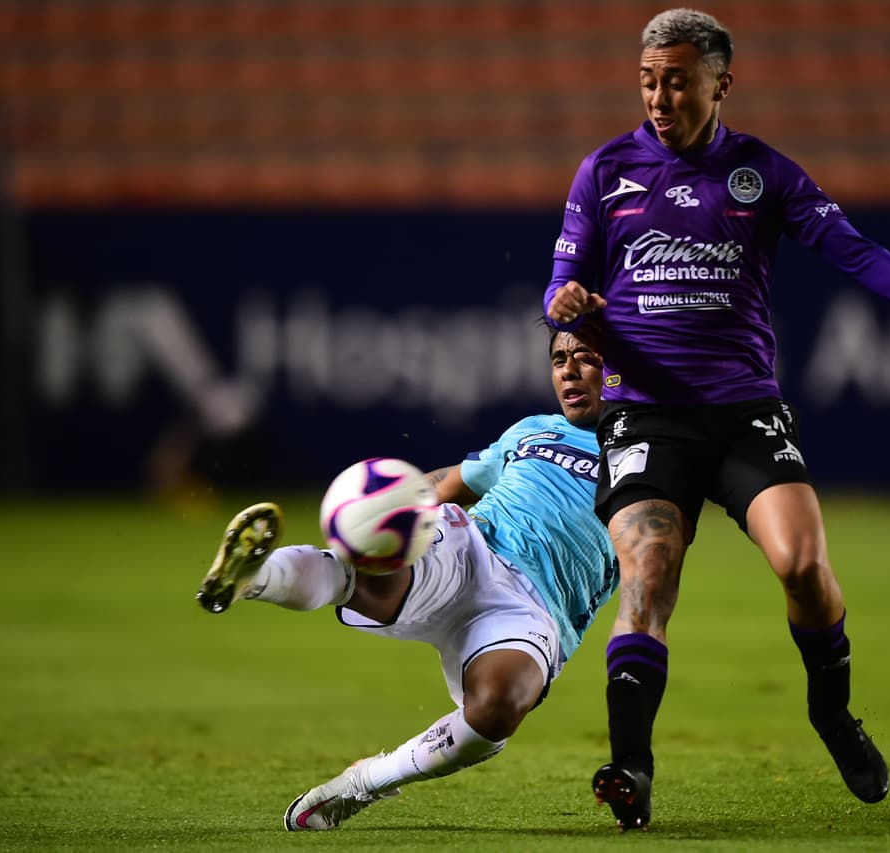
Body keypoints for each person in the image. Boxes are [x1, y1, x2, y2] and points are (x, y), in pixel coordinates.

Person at [544, 8, 890, 832]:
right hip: (645, 413)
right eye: (649, 79)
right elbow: (563, 277)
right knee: (649, 571)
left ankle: (832, 714)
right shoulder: (605, 170)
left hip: (745, 411)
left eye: (678, 80)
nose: (660, 96)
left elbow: (854, 249)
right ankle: (632, 770)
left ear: (722, 82)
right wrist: (566, 301)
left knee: (801, 564)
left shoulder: (763, 175)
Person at [196, 326, 617, 832]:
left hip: (535, 609)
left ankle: (364, 781)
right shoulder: (534, 431)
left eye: (585, 357)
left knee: (498, 708)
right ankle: (251, 576)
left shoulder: (658, 458)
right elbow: (454, 481)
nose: (567, 369)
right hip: (473, 548)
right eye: (557, 359)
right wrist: (392, 505)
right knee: (368, 577)